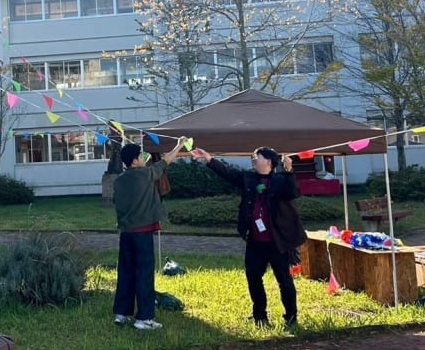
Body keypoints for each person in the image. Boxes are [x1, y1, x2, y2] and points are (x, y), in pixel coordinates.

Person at [191, 145, 306, 327]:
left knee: (284, 280)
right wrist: (209, 159)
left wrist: (290, 170)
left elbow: (294, 192)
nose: (253, 159)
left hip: (278, 242)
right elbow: (228, 174)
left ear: (268, 161)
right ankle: (260, 316)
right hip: (255, 241)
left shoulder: (281, 179)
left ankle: (291, 318)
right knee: (253, 277)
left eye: (256, 156)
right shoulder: (249, 178)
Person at [112, 136, 187, 330]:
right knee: (144, 274)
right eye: (140, 155)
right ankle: (144, 318)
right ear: (134, 161)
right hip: (142, 233)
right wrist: (179, 144)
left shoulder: (119, 181)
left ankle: (121, 313)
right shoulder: (145, 174)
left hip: (126, 233)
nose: (143, 157)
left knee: (126, 272)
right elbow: (166, 161)